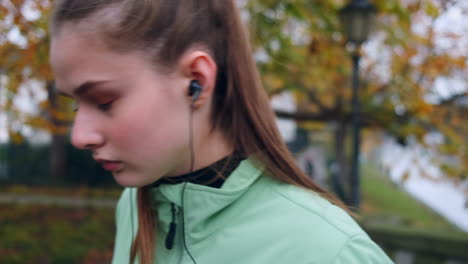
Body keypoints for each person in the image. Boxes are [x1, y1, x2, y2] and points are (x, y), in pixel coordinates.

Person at [49, 0, 394, 263]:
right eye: (76, 104)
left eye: (104, 101)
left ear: (196, 81)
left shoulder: (328, 250)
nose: (80, 136)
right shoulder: (134, 207)